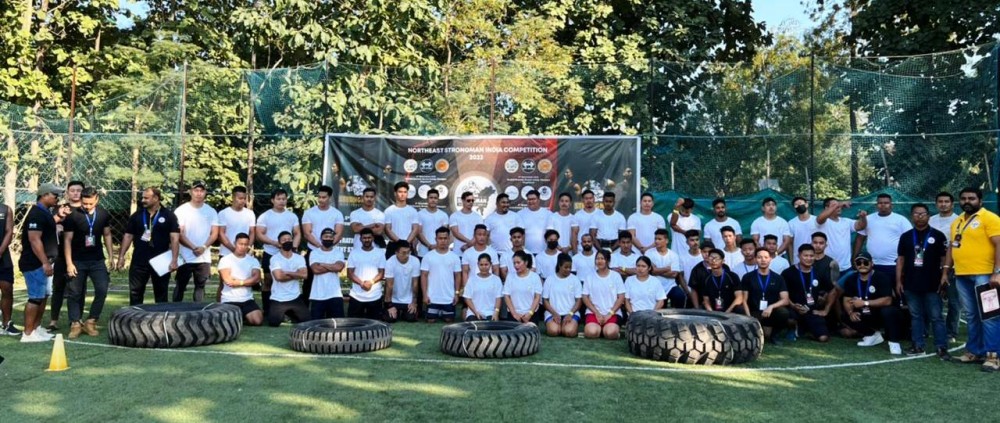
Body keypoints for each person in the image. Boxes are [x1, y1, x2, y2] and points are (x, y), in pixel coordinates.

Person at [940, 187, 1000, 370]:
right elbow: (952, 247)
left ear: (980, 201)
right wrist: (945, 271)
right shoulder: (957, 222)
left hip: (985, 274)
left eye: (972, 198)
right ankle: (974, 352)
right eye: (964, 198)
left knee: (989, 315)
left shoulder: (990, 218)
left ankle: (993, 356)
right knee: (972, 315)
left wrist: (997, 272)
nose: (967, 201)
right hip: (962, 275)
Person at [895, 203, 949, 358]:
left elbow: (944, 258)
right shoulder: (906, 236)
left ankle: (941, 347)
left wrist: (944, 275)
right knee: (916, 316)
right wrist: (898, 281)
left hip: (932, 283)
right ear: (912, 216)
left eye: (923, 213)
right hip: (911, 283)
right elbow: (900, 260)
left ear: (928, 216)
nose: (920, 216)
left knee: (936, 316)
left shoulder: (938, 236)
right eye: (916, 214)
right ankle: (918, 346)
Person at [62, 187, 113, 338]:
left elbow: (107, 234)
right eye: (84, 203)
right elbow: (67, 240)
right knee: (74, 293)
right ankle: (75, 323)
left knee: (102, 289)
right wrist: (69, 263)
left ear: (97, 199)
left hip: (97, 260)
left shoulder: (103, 214)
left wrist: (111, 256)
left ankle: (91, 321)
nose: (87, 206)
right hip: (77, 260)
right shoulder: (73, 216)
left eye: (90, 203)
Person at [118, 187, 180, 306]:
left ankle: (161, 319)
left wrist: (174, 260)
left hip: (161, 260)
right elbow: (128, 236)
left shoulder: (169, 216)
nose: (143, 200)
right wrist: (121, 256)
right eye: (142, 197)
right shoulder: (137, 215)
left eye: (146, 198)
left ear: (156, 198)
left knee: (161, 292)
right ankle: (135, 319)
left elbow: (174, 239)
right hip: (139, 259)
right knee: (135, 292)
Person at [18, 183, 64, 342]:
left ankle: (36, 328)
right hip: (35, 263)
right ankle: (28, 333)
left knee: (43, 295)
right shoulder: (36, 213)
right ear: (44, 195)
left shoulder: (44, 213)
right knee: (35, 297)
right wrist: (44, 262)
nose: (57, 198)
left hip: (45, 262)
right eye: (54, 194)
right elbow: (34, 240)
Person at [843, 252, 904, 354]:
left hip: (881, 313)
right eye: (859, 263)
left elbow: (888, 300)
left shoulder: (881, 277)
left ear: (872, 264)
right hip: (865, 313)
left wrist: (865, 303)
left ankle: (894, 342)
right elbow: (846, 299)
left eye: (865, 262)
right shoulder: (851, 279)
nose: (862, 265)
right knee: (845, 315)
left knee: (888, 311)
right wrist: (850, 312)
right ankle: (872, 335)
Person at [173, 181, 221, 303]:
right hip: (185, 256)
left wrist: (204, 247)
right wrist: (194, 247)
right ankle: (174, 311)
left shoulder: (211, 211)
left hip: (203, 257)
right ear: (190, 192)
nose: (199, 193)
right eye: (196, 190)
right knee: (180, 285)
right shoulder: (181, 210)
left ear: (205, 193)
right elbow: (179, 233)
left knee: (200, 286)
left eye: (202, 191)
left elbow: (214, 233)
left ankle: (198, 314)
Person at [255, 188, 301, 313]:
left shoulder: (292, 216)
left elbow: (297, 233)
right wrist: (275, 243)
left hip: (288, 255)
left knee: (289, 279)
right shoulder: (265, 216)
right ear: (272, 200)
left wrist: (294, 248)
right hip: (270, 253)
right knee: (268, 281)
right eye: (278, 199)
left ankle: (290, 310)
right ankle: (267, 309)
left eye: (284, 199)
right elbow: (259, 234)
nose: (281, 201)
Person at [782, 245, 836, 343]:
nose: (809, 258)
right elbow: (782, 294)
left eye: (811, 256)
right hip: (793, 309)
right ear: (799, 256)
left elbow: (833, 290)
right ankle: (792, 329)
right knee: (788, 317)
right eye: (805, 256)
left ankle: (806, 329)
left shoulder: (818, 272)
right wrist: (793, 305)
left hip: (812, 311)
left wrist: (826, 310)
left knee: (823, 338)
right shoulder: (788, 273)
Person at [47, 180, 81, 332]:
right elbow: (50, 227)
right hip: (61, 254)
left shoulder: (86, 209)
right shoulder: (59, 209)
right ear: (67, 192)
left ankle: (76, 320)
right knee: (58, 287)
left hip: (80, 255)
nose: (75, 193)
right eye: (72, 190)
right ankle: (53, 320)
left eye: (79, 190)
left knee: (78, 289)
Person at [740, 247, 791, 344]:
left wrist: (771, 307)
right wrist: (749, 318)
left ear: (770, 259)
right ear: (755, 259)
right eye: (759, 257)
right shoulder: (748, 277)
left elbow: (785, 300)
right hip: (754, 312)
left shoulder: (778, 278)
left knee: (784, 312)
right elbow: (744, 300)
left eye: (766, 257)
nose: (763, 260)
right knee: (740, 309)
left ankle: (774, 336)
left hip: (770, 312)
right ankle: (753, 330)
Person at [855, 193, 911, 282]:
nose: (883, 205)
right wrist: (855, 257)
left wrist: (906, 261)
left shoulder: (901, 220)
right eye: (880, 203)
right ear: (876, 205)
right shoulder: (868, 219)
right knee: (874, 292)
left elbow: (909, 241)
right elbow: (859, 238)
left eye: (886, 203)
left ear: (891, 205)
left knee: (896, 292)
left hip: (894, 264)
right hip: (871, 264)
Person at [929, 191, 961, 343]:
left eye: (946, 201)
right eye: (940, 201)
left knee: (954, 301)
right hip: (933, 266)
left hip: (953, 267)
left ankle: (951, 333)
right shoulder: (931, 220)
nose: (943, 204)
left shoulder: (959, 220)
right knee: (934, 299)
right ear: (936, 204)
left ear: (952, 204)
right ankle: (935, 329)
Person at [301, 185, 344, 292]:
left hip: (331, 252)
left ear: (330, 197)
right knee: (309, 281)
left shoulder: (337, 214)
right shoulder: (309, 213)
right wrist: (320, 246)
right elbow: (307, 233)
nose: (321, 200)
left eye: (324, 197)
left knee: (330, 278)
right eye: (319, 197)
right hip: (313, 250)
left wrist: (328, 247)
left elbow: (338, 233)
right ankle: (306, 307)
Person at [217, 233, 264, 326]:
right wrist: (248, 281)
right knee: (227, 324)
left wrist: (239, 281)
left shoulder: (253, 260)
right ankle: (240, 316)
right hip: (229, 299)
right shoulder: (225, 260)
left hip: (247, 299)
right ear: (235, 243)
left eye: (245, 244)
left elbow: (257, 279)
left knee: (257, 321)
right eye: (240, 244)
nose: (243, 247)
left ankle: (242, 316)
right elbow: (228, 281)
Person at [267, 231, 310, 326]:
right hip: (278, 298)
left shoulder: (299, 258)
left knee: (307, 320)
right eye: (284, 240)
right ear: (279, 243)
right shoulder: (275, 258)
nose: (287, 241)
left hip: (295, 297)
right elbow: (279, 277)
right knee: (273, 322)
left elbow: (304, 275)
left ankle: (290, 314)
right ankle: (286, 314)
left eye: (289, 239)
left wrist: (288, 273)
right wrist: (296, 274)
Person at [421, 227, 462, 323]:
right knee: (431, 320)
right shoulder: (428, 256)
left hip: (448, 298)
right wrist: (425, 295)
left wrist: (456, 294)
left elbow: (458, 276)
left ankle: (443, 312)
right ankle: (436, 312)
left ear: (449, 239)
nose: (443, 241)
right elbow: (424, 276)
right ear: (436, 239)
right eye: (440, 238)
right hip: (432, 297)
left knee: (449, 320)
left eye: (445, 238)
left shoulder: (454, 257)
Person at [816, 197, 868, 274]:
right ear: (826, 208)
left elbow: (861, 226)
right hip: (828, 267)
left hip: (846, 267)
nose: (839, 207)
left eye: (839, 206)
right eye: (835, 205)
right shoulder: (823, 222)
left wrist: (863, 217)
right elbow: (819, 219)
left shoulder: (846, 221)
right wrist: (840, 203)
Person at [582, 249, 626, 339]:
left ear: (608, 261)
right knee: (591, 333)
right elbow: (585, 297)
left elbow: (621, 297)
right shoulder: (589, 277)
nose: (599, 261)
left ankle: (606, 330)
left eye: (602, 258)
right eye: (597, 258)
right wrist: (597, 313)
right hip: (593, 312)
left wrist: (610, 313)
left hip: (612, 313)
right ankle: (600, 329)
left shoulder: (616, 276)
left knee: (610, 333)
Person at [346, 228, 386, 320]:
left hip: (375, 295)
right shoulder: (354, 253)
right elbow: (349, 273)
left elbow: (381, 273)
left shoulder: (380, 253)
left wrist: (371, 282)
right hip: (356, 296)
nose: (367, 240)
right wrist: (361, 283)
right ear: (360, 239)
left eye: (369, 237)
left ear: (373, 238)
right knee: (353, 324)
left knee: (375, 325)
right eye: (364, 238)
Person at [308, 228, 346, 319]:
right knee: (316, 326)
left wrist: (322, 264)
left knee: (339, 325)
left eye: (330, 237)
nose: (328, 239)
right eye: (326, 237)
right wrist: (332, 267)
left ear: (333, 239)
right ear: (321, 238)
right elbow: (316, 270)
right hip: (317, 295)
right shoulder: (314, 253)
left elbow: (339, 267)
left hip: (335, 294)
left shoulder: (338, 253)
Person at [543, 254, 582, 337]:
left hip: (571, 313)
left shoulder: (575, 279)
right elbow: (545, 300)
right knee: (553, 331)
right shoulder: (550, 279)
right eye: (565, 267)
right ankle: (556, 326)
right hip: (552, 313)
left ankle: (568, 326)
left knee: (569, 332)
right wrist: (554, 313)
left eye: (570, 267)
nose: (568, 270)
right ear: (559, 266)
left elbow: (579, 300)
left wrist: (570, 314)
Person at [693, 249, 743, 313]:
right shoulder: (706, 279)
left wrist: (728, 311)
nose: (713, 261)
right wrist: (712, 313)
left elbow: (739, 298)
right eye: (711, 258)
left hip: (731, 310)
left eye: (716, 258)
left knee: (740, 309)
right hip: (714, 311)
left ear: (723, 261)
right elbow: (706, 300)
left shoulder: (732, 276)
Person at [645, 229, 686, 308]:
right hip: (654, 286)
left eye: (659, 239)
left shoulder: (673, 255)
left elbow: (674, 274)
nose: (656, 241)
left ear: (666, 241)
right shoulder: (649, 253)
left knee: (680, 296)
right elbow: (651, 271)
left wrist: (657, 270)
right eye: (655, 239)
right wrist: (667, 269)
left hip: (671, 286)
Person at [384, 240, 420, 323]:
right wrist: (389, 305)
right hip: (393, 299)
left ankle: (404, 312)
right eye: (403, 253)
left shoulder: (415, 261)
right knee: (390, 319)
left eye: (408, 252)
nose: (407, 255)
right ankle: (395, 310)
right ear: (396, 253)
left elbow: (415, 283)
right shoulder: (390, 262)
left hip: (408, 299)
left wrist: (414, 302)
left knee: (411, 318)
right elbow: (389, 286)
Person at [503, 250, 543, 324]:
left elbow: (537, 297)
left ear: (526, 262)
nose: (516, 265)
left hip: (531, 314)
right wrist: (514, 313)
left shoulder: (535, 277)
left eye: (518, 262)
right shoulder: (510, 276)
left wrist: (529, 313)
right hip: (513, 314)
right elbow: (506, 296)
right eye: (514, 263)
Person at [217, 186, 257, 259]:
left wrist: (247, 248)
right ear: (233, 197)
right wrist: (233, 249)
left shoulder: (250, 213)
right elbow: (221, 233)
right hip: (226, 253)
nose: (243, 201)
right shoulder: (223, 213)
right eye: (240, 198)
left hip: (244, 255)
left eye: (244, 198)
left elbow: (252, 232)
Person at [463, 254, 503, 321]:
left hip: (490, 312)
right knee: (473, 327)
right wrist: (476, 312)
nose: (484, 267)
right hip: (473, 312)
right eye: (481, 265)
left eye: (486, 264)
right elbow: (467, 298)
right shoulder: (472, 279)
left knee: (491, 327)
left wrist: (496, 312)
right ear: (478, 264)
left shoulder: (496, 280)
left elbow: (498, 298)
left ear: (490, 264)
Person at [384, 181, 418, 258]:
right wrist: (399, 242)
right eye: (400, 192)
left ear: (407, 194)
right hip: (393, 245)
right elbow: (387, 229)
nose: (402, 194)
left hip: (408, 244)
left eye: (405, 192)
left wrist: (406, 242)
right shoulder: (389, 210)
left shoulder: (413, 211)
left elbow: (415, 229)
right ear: (395, 193)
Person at [0, 198, 18, 335]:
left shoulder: (5, 209)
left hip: (3, 257)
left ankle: (7, 323)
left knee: (7, 288)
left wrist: (0, 251)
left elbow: (9, 231)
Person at [415, 188, 449, 257]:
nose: (433, 200)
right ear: (427, 199)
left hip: (440, 252)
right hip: (423, 252)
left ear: (438, 199)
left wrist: (437, 246)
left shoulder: (443, 215)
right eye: (431, 198)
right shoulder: (419, 214)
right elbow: (419, 233)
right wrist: (429, 245)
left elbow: (445, 234)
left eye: (435, 198)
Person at [518, 189, 552, 254]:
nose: (531, 201)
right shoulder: (520, 214)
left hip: (544, 252)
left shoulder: (548, 214)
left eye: (533, 199)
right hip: (526, 253)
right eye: (529, 199)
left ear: (539, 200)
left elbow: (551, 234)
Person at [789, 196, 818, 265]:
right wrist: (791, 261)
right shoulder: (791, 223)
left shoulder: (816, 220)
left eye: (800, 203)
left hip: (815, 258)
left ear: (806, 204)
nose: (799, 206)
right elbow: (790, 244)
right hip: (798, 260)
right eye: (796, 205)